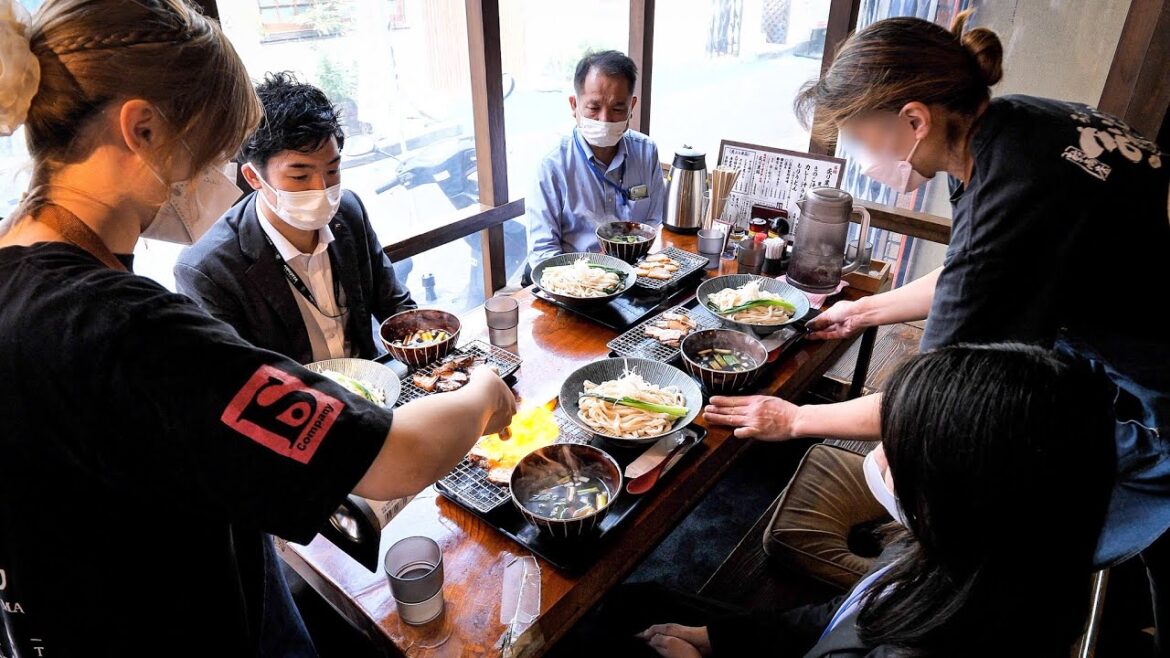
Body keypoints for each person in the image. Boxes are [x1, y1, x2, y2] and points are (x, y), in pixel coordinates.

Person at [0, 1, 515, 656]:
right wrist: (483, 395)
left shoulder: (16, 271)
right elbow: (394, 459)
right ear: (143, 129)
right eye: (213, 149)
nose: (218, 178)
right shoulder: (124, 329)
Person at [705, 10, 1170, 650]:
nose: (862, 161)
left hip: (1151, 404)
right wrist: (863, 311)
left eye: (860, 139)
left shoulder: (1014, 184)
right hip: (1112, 349)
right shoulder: (1016, 127)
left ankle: (962, 611)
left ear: (915, 121)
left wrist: (792, 421)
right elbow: (969, 271)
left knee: (902, 464)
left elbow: (933, 404)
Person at [605, 344, 1115, 657]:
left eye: (899, 441)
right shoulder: (964, 558)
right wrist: (718, 638)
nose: (879, 452)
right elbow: (846, 613)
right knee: (636, 602)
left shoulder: (929, 644)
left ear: (959, 491)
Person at [175, 72, 415, 365]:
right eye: (300, 176)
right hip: (294, 406)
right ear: (253, 177)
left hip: (374, 384)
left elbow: (394, 305)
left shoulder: (348, 211)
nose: (322, 189)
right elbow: (236, 379)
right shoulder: (209, 269)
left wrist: (427, 349)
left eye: (332, 170)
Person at [525, 49, 667, 273]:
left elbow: (655, 223)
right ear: (574, 105)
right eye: (593, 108)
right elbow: (543, 252)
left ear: (632, 106)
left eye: (618, 108)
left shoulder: (646, 152)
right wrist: (587, 283)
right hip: (574, 282)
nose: (605, 119)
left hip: (637, 274)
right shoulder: (553, 165)